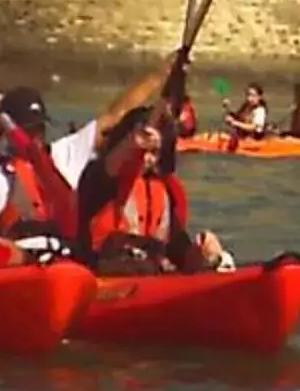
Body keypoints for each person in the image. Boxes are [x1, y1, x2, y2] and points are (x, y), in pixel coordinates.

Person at [0, 63, 169, 267]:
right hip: (21, 263)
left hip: (67, 259)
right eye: (28, 129)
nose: (34, 137)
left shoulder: (67, 153)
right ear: (8, 132)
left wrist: (163, 72)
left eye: (39, 129)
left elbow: (116, 115)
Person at [76, 106, 230, 274]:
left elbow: (176, 248)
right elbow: (107, 170)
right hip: (103, 277)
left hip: (152, 279)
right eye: (140, 150)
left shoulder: (166, 190)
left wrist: (201, 253)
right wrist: (131, 144)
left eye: (153, 153)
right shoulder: (99, 178)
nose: (145, 158)